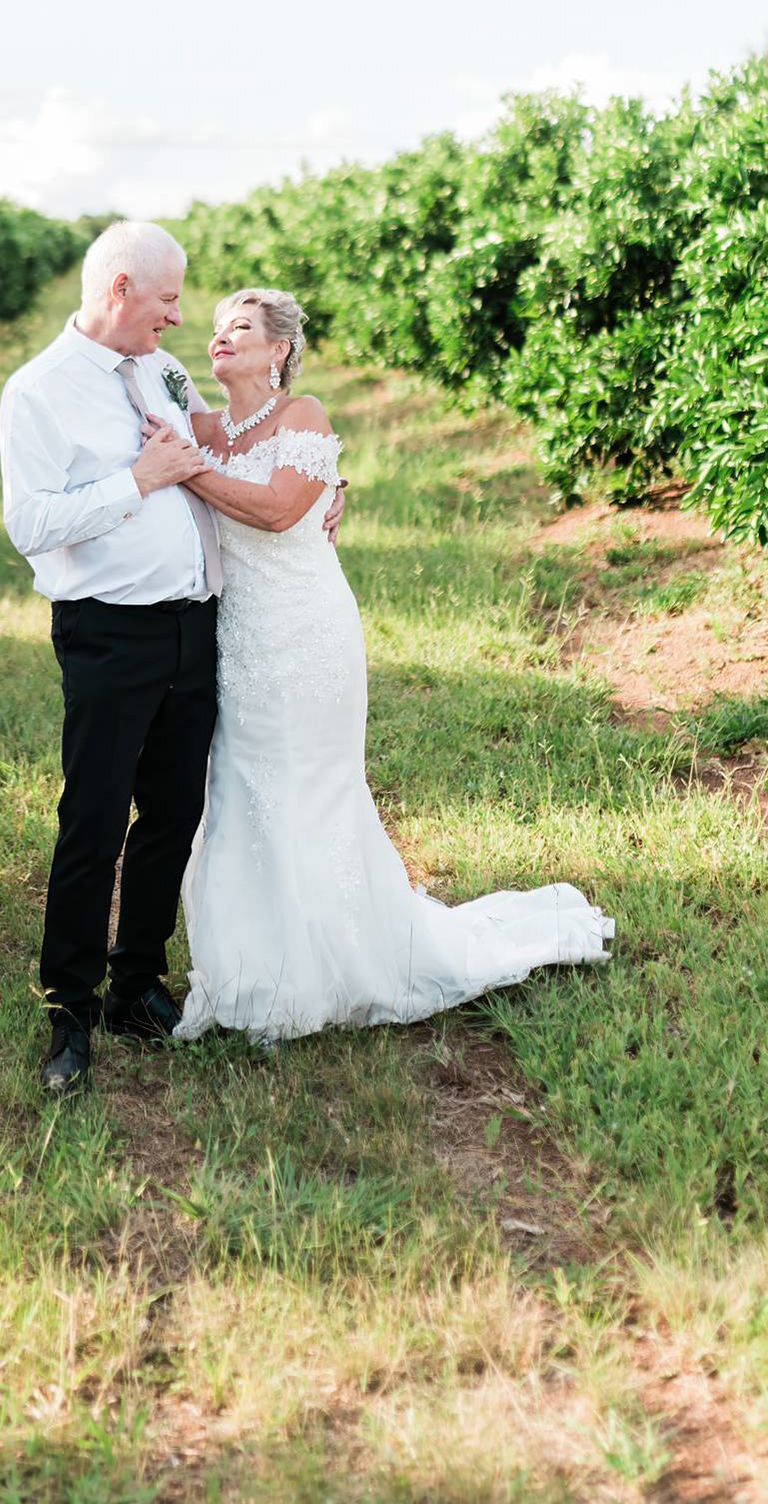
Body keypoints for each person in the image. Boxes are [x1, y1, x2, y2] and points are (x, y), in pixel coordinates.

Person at [140, 286, 614, 1044]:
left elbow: (275, 509)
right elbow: (166, 435)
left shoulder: (306, 414)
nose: (221, 338)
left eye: (242, 328)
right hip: (240, 645)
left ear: (280, 349)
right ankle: (257, 971)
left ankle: (338, 960)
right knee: (239, 789)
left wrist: (183, 470)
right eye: (218, 327)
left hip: (309, 636)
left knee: (313, 793)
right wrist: (184, 454)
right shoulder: (205, 423)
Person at [0, 225, 344, 1093]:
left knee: (173, 814)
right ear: (120, 287)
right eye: (167, 301)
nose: (181, 317)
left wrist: (331, 483)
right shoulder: (36, 392)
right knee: (95, 819)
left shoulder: (163, 369)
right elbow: (29, 524)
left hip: (201, 627)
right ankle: (66, 1007)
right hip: (112, 630)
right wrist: (138, 482)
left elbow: (246, 442)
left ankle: (136, 981)